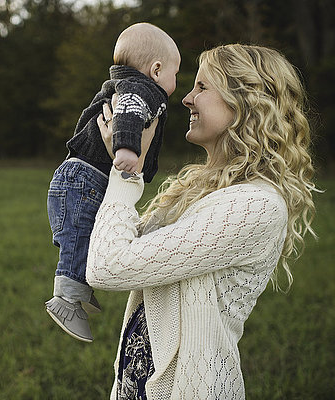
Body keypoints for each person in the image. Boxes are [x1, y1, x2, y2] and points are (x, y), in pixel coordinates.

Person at [87, 44, 317, 399]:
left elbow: (109, 265)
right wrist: (119, 150)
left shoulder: (256, 205)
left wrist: (125, 174)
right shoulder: (196, 187)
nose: (187, 99)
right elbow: (114, 239)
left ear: (245, 103)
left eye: (203, 87)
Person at [45, 23, 181, 343]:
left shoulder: (123, 83)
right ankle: (66, 298)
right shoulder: (142, 89)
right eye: (176, 74)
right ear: (156, 69)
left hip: (77, 179)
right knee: (79, 238)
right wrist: (126, 149)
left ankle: (80, 284)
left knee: (88, 237)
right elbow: (129, 113)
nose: (176, 83)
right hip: (84, 180)